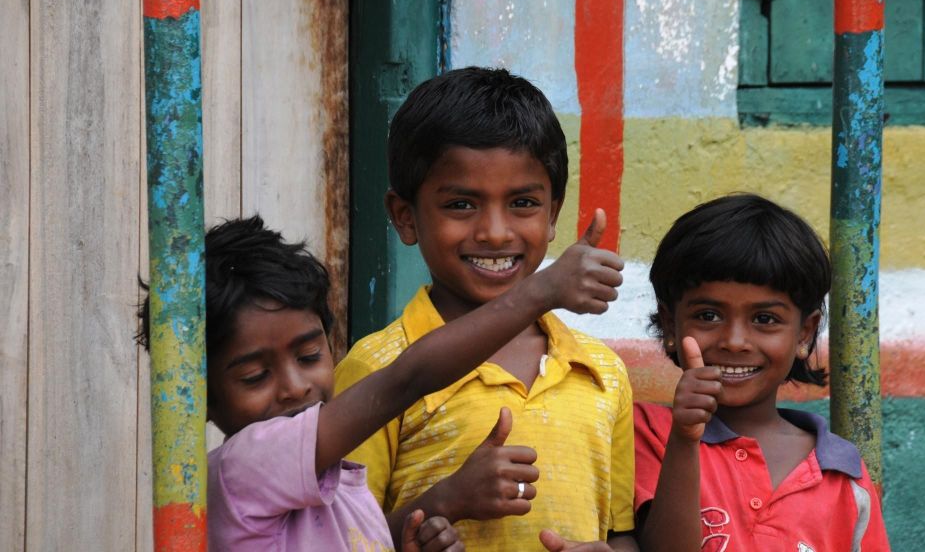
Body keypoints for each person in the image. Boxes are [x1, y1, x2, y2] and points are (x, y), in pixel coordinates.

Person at [137, 212, 622, 551]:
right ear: (197, 396)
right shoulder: (242, 469)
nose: (294, 387)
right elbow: (406, 379)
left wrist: (436, 512)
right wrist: (540, 291)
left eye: (309, 355)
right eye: (254, 375)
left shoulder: (335, 479)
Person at [334, 67, 638, 551]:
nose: (495, 232)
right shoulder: (378, 368)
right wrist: (443, 501)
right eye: (461, 204)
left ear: (553, 213)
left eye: (522, 203)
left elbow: (622, 534)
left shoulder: (602, 373)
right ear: (405, 217)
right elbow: (333, 538)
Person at [634, 194, 890, 551]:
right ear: (670, 325)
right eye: (709, 315)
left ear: (805, 333)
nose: (735, 342)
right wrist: (684, 439)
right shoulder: (644, 433)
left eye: (764, 319)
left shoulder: (844, 475)